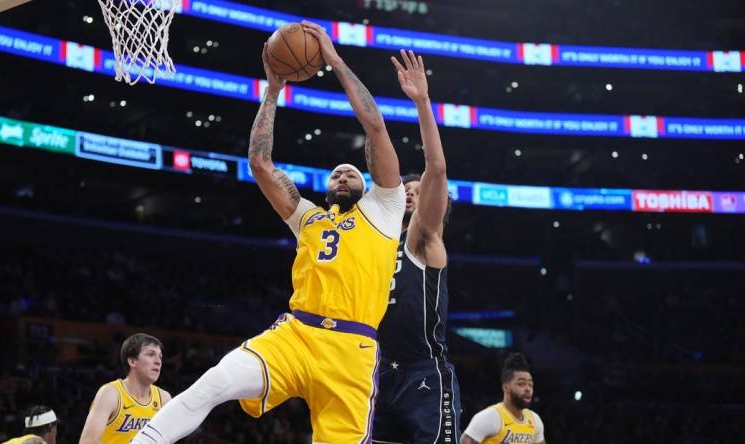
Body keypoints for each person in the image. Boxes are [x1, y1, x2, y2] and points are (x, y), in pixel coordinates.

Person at [130, 20, 405, 444]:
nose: (344, 175)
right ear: (327, 187)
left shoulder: (385, 209)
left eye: (351, 172)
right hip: (296, 334)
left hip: (352, 351)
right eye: (336, 174)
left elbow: (375, 127)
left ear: (367, 183)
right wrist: (273, 89)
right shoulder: (308, 217)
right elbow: (260, 163)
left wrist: (332, 59)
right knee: (214, 383)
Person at [372, 49, 460, 444]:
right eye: (405, 190)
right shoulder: (377, 240)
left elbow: (436, 168)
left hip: (423, 371)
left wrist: (422, 102)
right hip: (377, 371)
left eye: (417, 190)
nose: (410, 194)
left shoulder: (425, 237)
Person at [79, 333, 171, 443]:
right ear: (132, 361)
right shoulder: (110, 393)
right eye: (151, 355)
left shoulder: (164, 398)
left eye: (160, 356)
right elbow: (87, 441)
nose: (158, 361)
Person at [461, 353, 546, 444]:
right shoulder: (490, 417)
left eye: (530, 385)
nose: (528, 389)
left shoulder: (535, 419)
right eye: (521, 384)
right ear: (506, 388)